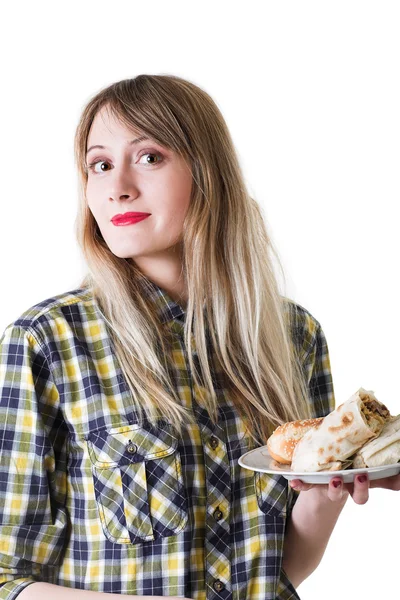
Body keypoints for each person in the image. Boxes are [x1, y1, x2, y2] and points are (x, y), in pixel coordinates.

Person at [0, 74, 398, 600]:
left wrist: (332, 490)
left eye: (148, 157)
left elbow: (278, 573)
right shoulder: (47, 341)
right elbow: (7, 576)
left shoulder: (296, 337)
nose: (117, 184)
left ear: (207, 172)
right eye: (100, 164)